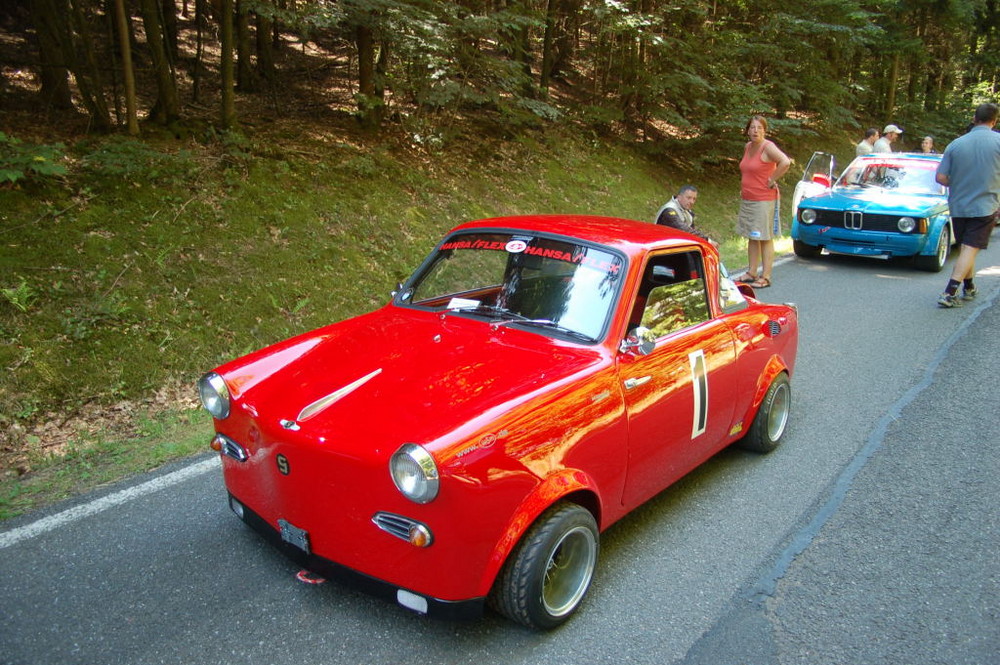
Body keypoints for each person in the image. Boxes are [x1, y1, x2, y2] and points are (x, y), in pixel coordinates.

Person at [934, 103, 1000, 308]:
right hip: (985, 205)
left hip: (959, 205)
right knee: (970, 248)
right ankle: (949, 292)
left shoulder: (955, 144)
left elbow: (941, 177)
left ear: (974, 118)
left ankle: (969, 286)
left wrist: (960, 182)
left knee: (966, 248)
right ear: (995, 120)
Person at [734, 115, 790, 289]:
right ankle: (752, 271)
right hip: (748, 198)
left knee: (764, 237)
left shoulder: (768, 147)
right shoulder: (748, 147)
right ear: (747, 130)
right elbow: (747, 170)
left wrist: (772, 178)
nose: (755, 131)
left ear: (764, 130)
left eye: (759, 128)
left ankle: (765, 276)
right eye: (752, 127)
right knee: (752, 236)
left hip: (763, 200)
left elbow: (785, 161)